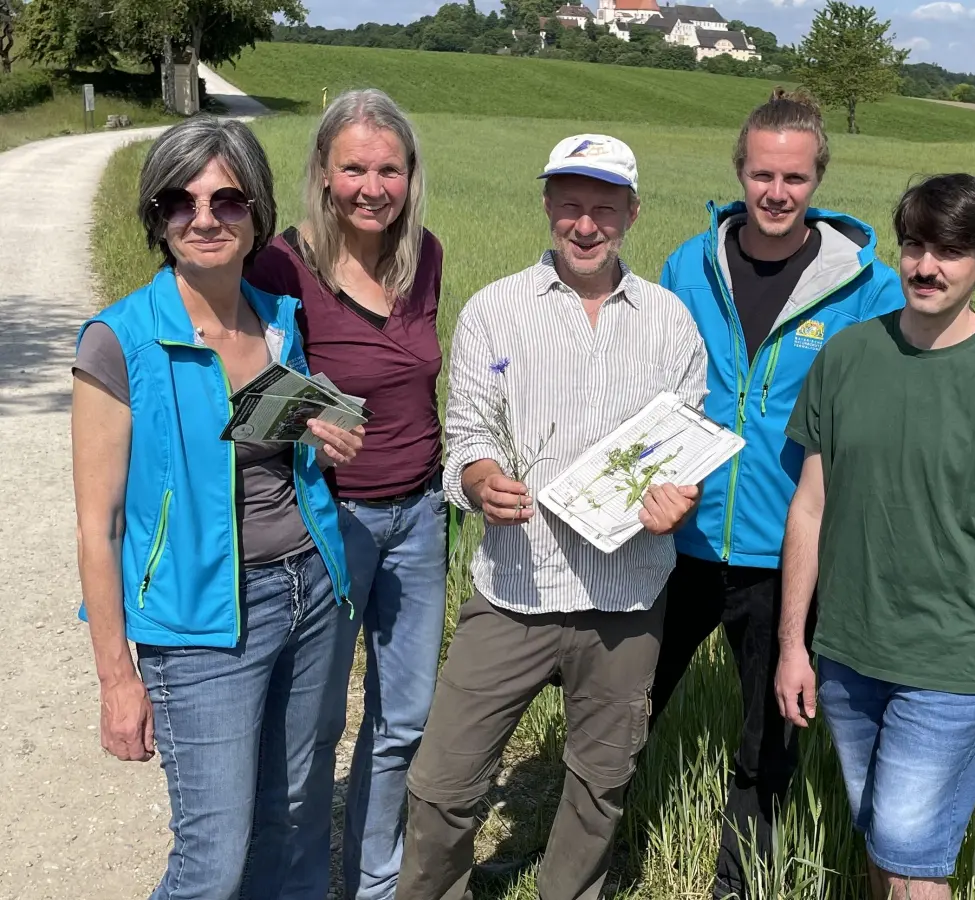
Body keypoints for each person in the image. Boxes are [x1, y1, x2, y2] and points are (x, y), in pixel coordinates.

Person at [397, 134, 709, 900]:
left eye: (604, 207)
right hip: (515, 590)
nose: (585, 223)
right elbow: (465, 432)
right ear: (546, 206)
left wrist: (678, 501)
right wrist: (477, 478)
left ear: (632, 213)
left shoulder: (670, 323)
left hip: (627, 600)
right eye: (570, 204)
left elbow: (683, 448)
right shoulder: (495, 311)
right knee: (443, 784)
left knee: (600, 786)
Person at [71, 115, 365, 900]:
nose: (204, 218)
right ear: (157, 217)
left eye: (228, 200)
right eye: (181, 201)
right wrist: (117, 680)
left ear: (257, 213)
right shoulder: (120, 340)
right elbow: (97, 530)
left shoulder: (281, 322)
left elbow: (279, 454)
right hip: (199, 626)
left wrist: (323, 441)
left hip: (310, 594)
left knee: (299, 821)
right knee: (212, 860)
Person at [774, 174, 975, 900]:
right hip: (849, 652)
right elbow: (809, 508)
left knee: (911, 859)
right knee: (882, 838)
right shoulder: (845, 358)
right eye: (914, 246)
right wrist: (792, 646)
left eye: (951, 251)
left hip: (953, 661)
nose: (926, 266)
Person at [651, 88, 902, 899]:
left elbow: (905, 392)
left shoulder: (865, 285)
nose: (776, 192)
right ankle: (579, 852)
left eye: (794, 178)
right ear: (740, 172)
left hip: (785, 552)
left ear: (816, 179)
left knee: (767, 741)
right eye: (762, 173)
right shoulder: (687, 265)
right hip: (676, 539)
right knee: (621, 712)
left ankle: (736, 883)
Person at [247, 88, 446, 900]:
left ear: (410, 175)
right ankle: (290, 883)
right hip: (325, 525)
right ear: (324, 175)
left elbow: (421, 376)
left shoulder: (422, 254)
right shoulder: (278, 266)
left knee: (403, 720)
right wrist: (297, 428)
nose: (373, 186)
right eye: (354, 167)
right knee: (312, 727)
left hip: (421, 517)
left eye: (389, 169)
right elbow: (238, 388)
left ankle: (373, 880)